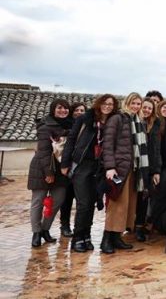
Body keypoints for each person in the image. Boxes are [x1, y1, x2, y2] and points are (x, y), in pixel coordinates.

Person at [61, 94, 118, 253]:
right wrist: (65, 163)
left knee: (91, 203)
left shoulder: (112, 122)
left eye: (111, 104)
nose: (107, 106)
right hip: (82, 165)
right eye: (105, 103)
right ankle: (77, 238)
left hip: (98, 167)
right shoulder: (85, 119)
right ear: (99, 104)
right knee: (83, 203)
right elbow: (71, 140)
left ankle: (87, 236)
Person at [100, 92, 148, 254]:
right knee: (116, 204)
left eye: (138, 104)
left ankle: (117, 237)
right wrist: (110, 167)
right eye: (133, 103)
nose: (136, 106)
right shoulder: (118, 119)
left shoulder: (138, 121)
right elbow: (108, 143)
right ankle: (106, 239)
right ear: (127, 103)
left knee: (127, 205)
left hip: (133, 168)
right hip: (120, 168)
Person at [28, 98, 72, 247]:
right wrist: (48, 173)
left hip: (61, 169)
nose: (63, 110)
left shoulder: (70, 126)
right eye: (59, 108)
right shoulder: (45, 127)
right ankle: (36, 232)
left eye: (65, 108)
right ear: (53, 109)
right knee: (38, 202)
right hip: (42, 168)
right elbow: (44, 152)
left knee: (58, 200)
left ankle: (44, 229)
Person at [135, 98, 162, 242]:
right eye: (144, 107)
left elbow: (156, 149)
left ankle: (139, 227)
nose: (146, 110)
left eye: (149, 108)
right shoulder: (132, 121)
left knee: (143, 198)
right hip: (133, 165)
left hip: (148, 167)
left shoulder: (153, 125)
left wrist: (156, 170)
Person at [57, 101, 85, 238]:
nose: (80, 113)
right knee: (67, 198)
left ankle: (78, 226)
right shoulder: (66, 126)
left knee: (81, 200)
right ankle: (65, 225)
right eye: (77, 110)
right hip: (67, 167)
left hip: (82, 168)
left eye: (82, 110)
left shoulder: (87, 127)